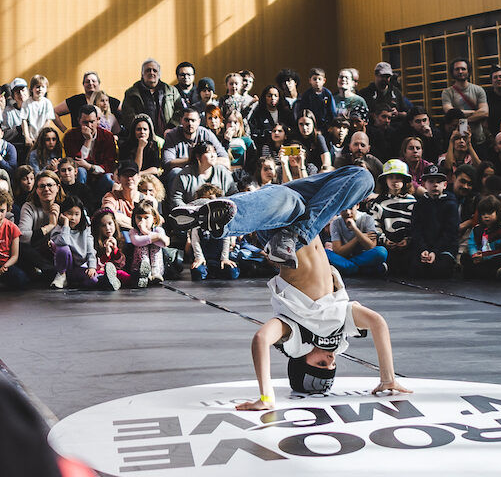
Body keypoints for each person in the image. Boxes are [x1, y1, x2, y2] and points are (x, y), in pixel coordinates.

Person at [172, 166, 411, 406]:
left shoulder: (297, 336)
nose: (330, 359)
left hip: (283, 240)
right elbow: (378, 323)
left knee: (285, 202)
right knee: (363, 179)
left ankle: (215, 222)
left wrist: (266, 396)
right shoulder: (341, 330)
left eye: (321, 364)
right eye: (332, 364)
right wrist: (387, 377)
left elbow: (261, 340)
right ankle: (211, 210)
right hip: (310, 216)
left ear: (301, 359)